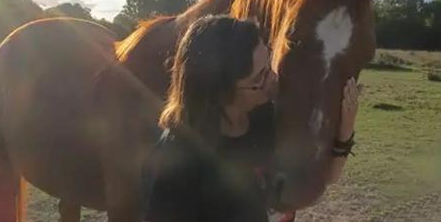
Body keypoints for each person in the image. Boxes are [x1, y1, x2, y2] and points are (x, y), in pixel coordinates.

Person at [141, 15, 361, 222]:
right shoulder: (173, 165)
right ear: (220, 92)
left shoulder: (266, 117)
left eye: (269, 66)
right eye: (260, 76)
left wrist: (345, 131)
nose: (274, 79)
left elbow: (322, 178)